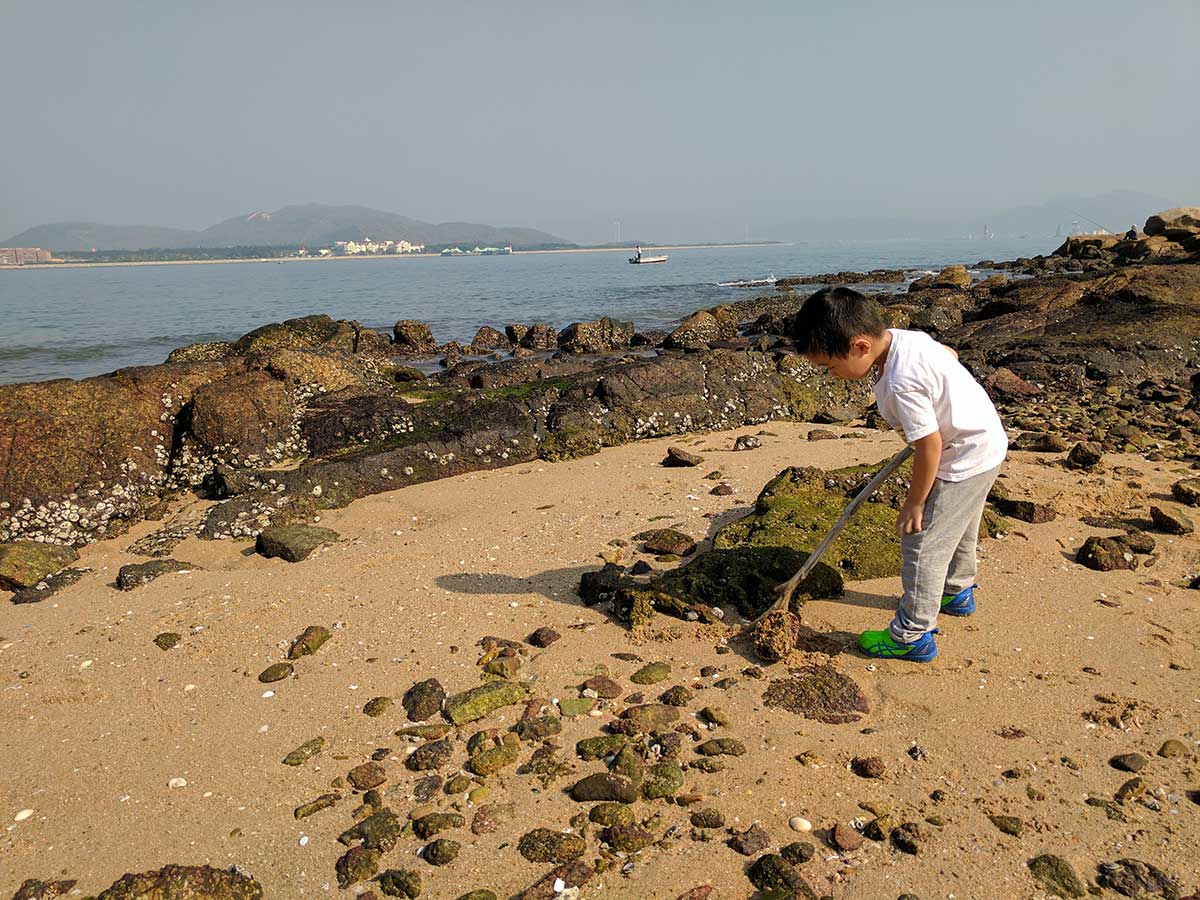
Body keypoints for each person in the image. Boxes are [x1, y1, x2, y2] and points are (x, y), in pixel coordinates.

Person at [790, 287, 1008, 662]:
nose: (832, 376)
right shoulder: (907, 339)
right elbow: (949, 356)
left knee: (922, 544)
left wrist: (914, 502)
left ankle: (912, 634)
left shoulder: (900, 384)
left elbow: (930, 446)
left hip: (960, 458)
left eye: (830, 367)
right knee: (960, 528)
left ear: (860, 346)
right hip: (987, 444)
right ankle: (956, 591)